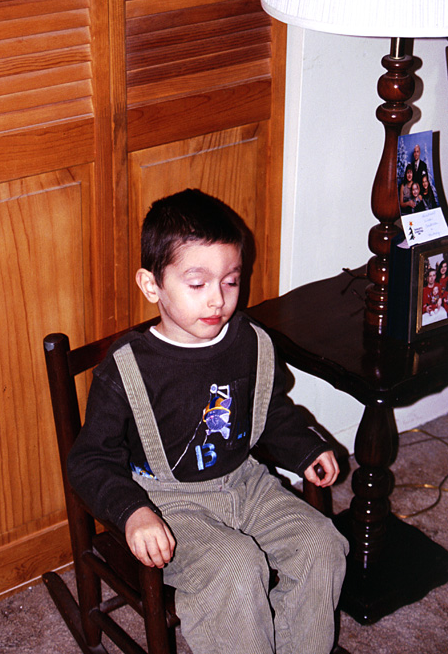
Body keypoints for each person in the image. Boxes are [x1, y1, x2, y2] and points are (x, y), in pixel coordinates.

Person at [67, 189, 349, 654]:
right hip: (169, 503)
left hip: (246, 482)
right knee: (236, 568)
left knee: (321, 544)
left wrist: (304, 447)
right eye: (197, 284)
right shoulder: (126, 369)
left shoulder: (250, 342)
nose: (218, 299)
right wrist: (133, 512)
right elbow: (90, 459)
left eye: (231, 281)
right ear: (151, 284)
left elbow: (269, 409)